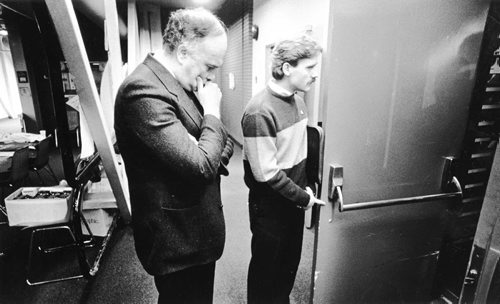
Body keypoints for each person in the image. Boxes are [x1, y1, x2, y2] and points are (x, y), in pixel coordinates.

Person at [114, 7, 233, 304]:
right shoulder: (143, 90)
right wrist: (213, 113)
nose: (212, 76)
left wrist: (204, 145)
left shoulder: (182, 81)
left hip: (197, 234)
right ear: (182, 52)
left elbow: (224, 144)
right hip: (177, 243)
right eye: (209, 66)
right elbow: (202, 165)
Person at [241, 35, 325, 304]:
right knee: (266, 275)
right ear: (287, 68)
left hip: (295, 202)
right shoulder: (259, 112)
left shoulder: (299, 102)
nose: (315, 74)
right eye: (310, 67)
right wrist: (304, 198)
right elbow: (266, 174)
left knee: (288, 268)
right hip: (271, 207)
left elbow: (300, 152)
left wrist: (308, 186)